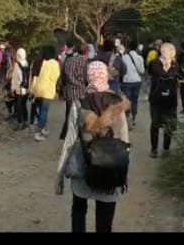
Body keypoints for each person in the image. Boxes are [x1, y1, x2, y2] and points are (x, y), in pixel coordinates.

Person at [56, 60, 130, 233]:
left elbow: (70, 141)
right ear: (105, 76)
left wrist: (59, 175)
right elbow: (124, 139)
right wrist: (125, 174)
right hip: (111, 169)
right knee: (105, 215)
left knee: (78, 210)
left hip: (84, 168)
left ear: (88, 77)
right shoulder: (118, 104)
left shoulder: (79, 103)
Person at [148, 42, 179, 157]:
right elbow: (158, 74)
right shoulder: (155, 63)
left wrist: (169, 64)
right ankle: (154, 149)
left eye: (171, 50)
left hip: (170, 100)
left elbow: (175, 76)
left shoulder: (175, 64)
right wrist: (166, 64)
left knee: (168, 125)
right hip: (157, 99)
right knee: (155, 124)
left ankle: (166, 148)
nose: (169, 52)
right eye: (166, 50)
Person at [59, 43, 89, 139]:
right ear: (86, 52)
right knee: (80, 114)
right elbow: (87, 78)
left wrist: (61, 91)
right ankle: (78, 134)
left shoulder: (69, 60)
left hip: (69, 91)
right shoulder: (86, 62)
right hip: (81, 91)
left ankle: (67, 133)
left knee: (69, 113)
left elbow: (63, 76)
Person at [30, 45, 60, 142]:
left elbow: (35, 76)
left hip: (38, 89)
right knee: (44, 111)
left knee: (40, 110)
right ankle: (38, 133)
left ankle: (42, 128)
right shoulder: (54, 63)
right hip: (47, 90)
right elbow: (55, 77)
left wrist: (32, 90)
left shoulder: (41, 62)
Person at [120, 37, 145, 127]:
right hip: (137, 81)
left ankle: (127, 118)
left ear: (129, 48)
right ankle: (134, 118)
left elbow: (121, 70)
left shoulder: (124, 57)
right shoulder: (140, 58)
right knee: (135, 100)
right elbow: (142, 71)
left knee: (127, 100)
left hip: (126, 81)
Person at [11, 48, 30, 127]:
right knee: (24, 105)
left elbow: (15, 78)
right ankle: (25, 121)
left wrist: (12, 89)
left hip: (19, 89)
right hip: (26, 89)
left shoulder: (17, 65)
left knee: (18, 106)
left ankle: (19, 123)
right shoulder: (26, 63)